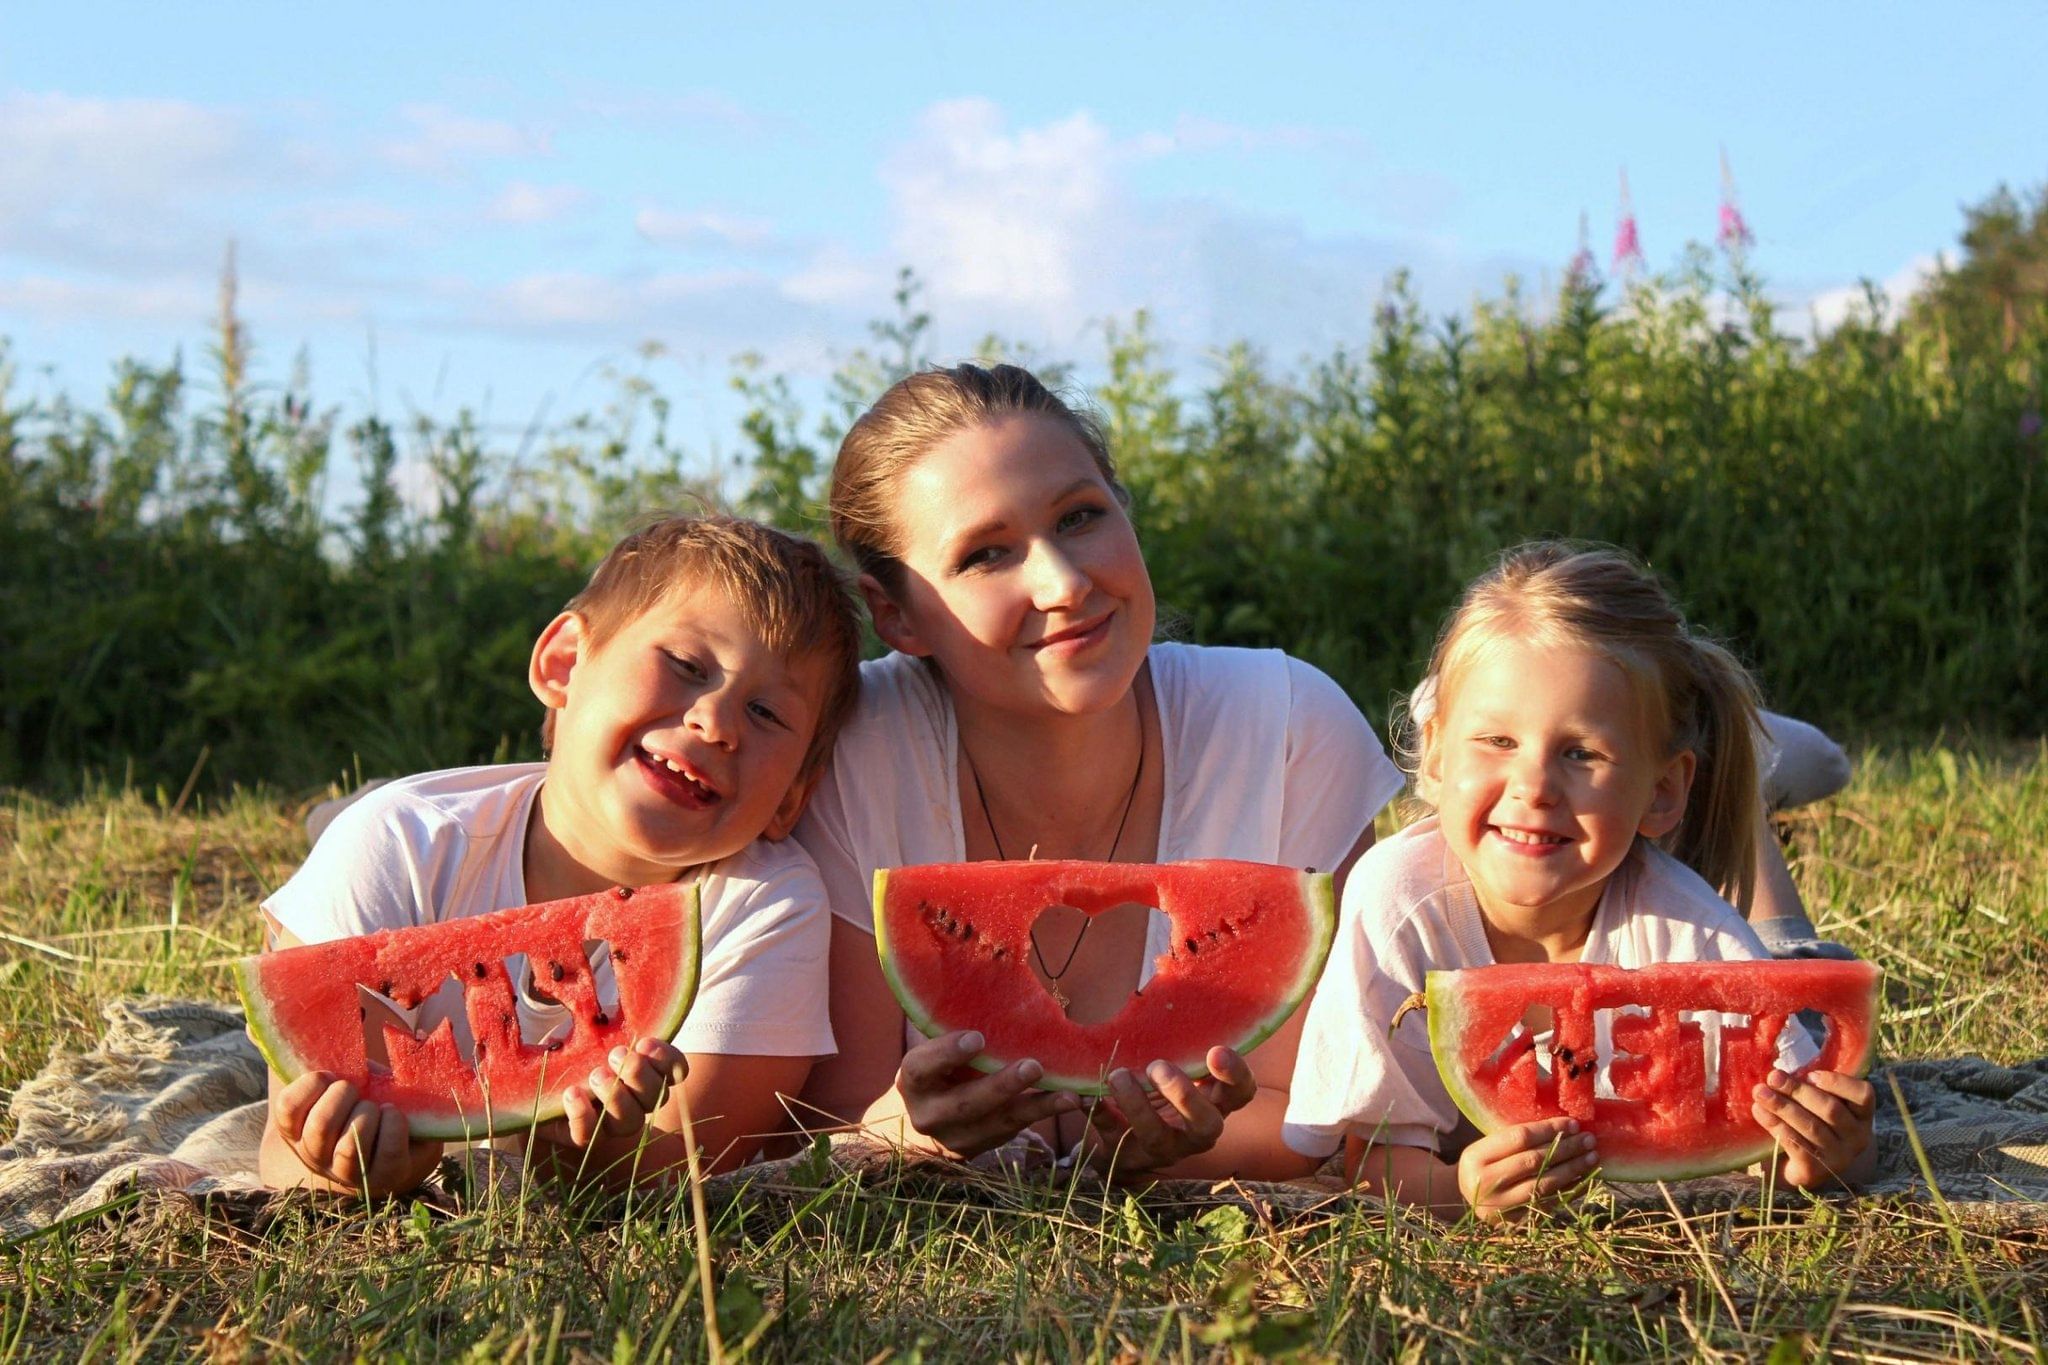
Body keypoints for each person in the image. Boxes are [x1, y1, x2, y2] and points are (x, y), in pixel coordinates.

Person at [793, 363, 1405, 1180]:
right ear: (897, 613)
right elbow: (831, 1123)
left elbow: (1324, 1113)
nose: (1066, 581)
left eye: (1080, 517)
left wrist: (1151, 1155)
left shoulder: (1290, 728)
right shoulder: (859, 752)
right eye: (986, 554)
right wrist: (909, 1133)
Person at [257, 514, 862, 1195]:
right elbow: (280, 1151)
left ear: (792, 799)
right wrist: (337, 1165)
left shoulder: (768, 905)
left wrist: (598, 1151)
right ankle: (321, 833)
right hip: (390, 830)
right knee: (353, 833)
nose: (714, 722)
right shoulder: (400, 840)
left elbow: (699, 1155)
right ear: (564, 664)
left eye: (765, 713)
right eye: (687, 666)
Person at [1282, 542, 1874, 1216]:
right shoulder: (1393, 901)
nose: (1534, 787)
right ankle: (1738, 761)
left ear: (1662, 791)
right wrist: (1454, 1190)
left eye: (1580, 752)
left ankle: (1751, 782)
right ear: (1437, 756)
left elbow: (1828, 1136)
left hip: (1742, 935)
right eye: (1499, 741)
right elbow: (1366, 1160)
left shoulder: (1686, 922)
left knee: (1792, 950)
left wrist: (1830, 1147)